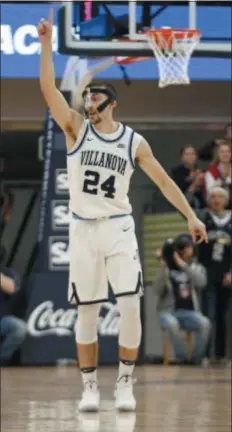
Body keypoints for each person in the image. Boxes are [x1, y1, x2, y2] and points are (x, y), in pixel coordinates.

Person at [38, 10, 207, 412]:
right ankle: (91, 387)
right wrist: (45, 46)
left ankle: (125, 383)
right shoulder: (76, 127)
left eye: (95, 95)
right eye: (86, 95)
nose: (87, 99)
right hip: (82, 230)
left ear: (111, 102)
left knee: (130, 305)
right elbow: (48, 90)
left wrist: (190, 215)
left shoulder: (134, 141)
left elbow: (166, 182)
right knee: (87, 313)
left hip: (118, 227)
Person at [154, 235, 210, 365]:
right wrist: (163, 265)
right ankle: (182, 358)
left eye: (189, 248)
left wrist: (183, 265)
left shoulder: (195, 267)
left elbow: (201, 282)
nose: (186, 251)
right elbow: (157, 290)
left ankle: (195, 359)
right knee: (172, 323)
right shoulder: (166, 269)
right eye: (183, 248)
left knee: (205, 323)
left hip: (190, 312)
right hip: (168, 312)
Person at [197, 187, 232, 365]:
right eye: (213, 197)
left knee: (223, 315)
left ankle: (221, 355)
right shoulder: (204, 218)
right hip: (207, 273)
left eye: (220, 197)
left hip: (226, 275)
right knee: (207, 315)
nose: (216, 199)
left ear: (226, 200)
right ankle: (204, 354)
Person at [0, 246, 27, 366]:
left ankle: (2, 359)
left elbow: (11, 288)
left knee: (19, 328)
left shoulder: (7, 273)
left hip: (2, 320)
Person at [204, 142, 231, 207]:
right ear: (217, 155)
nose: (225, 154)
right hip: (219, 206)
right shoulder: (211, 171)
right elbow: (210, 191)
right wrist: (222, 178)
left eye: (228, 151)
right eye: (222, 152)